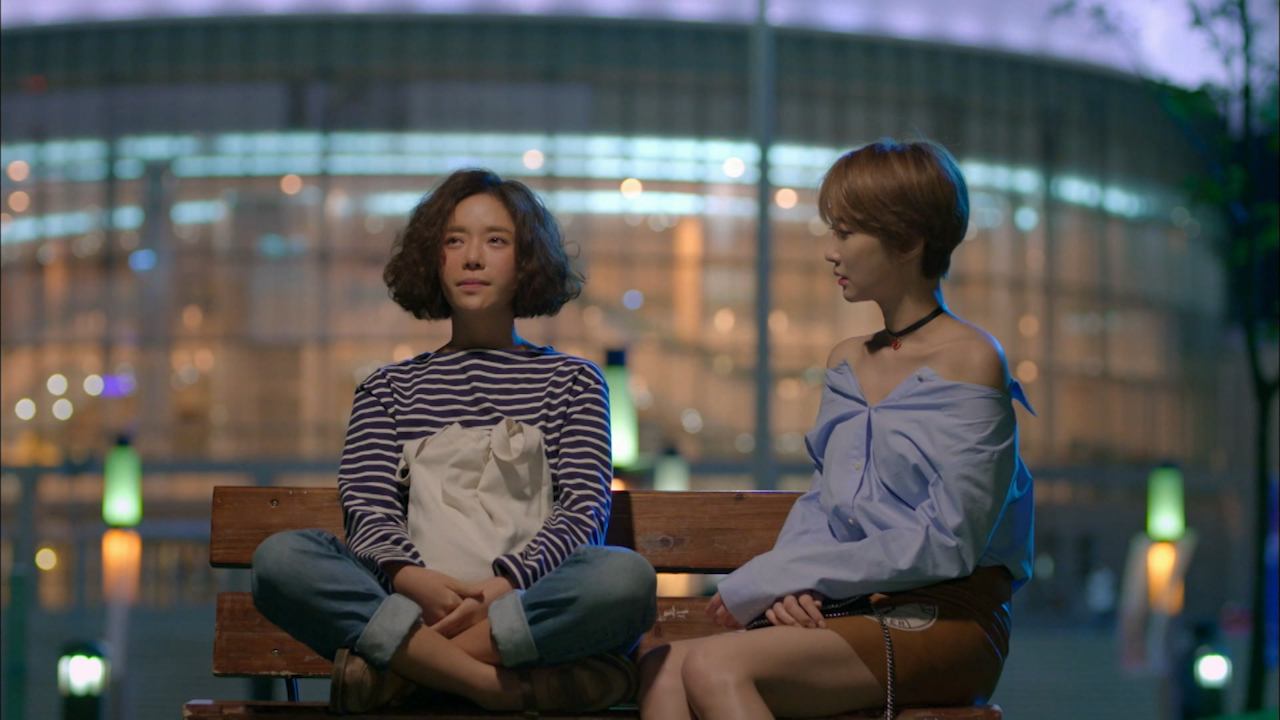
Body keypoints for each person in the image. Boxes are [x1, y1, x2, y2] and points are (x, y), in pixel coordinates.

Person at [638, 139, 1035, 719]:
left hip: (948, 614)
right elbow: (826, 503)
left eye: (846, 233)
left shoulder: (972, 358)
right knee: (665, 666)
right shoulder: (847, 360)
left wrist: (789, 575)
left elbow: (950, 541)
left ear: (908, 240)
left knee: (712, 666)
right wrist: (792, 586)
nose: (831, 251)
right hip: (852, 609)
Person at [251, 169, 657, 714]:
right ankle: (494, 687)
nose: (473, 259)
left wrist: (502, 590)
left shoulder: (574, 382)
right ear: (432, 258)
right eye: (454, 241)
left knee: (624, 577)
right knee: (281, 559)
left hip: (521, 603)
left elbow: (583, 513)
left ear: (527, 259)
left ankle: (403, 676)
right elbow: (367, 510)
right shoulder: (387, 388)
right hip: (413, 604)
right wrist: (416, 581)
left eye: (496, 241)